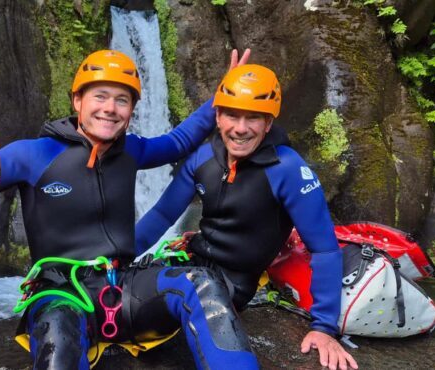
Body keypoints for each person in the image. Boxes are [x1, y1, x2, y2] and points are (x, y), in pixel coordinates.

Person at [0, 49, 261, 369]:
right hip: (60, 290)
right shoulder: (32, 155)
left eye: (122, 100)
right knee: (58, 334)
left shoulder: (132, 151)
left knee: (200, 281)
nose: (110, 108)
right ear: (77, 101)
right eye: (100, 96)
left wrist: (225, 97)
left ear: (131, 110)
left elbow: (178, 143)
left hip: (125, 287)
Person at [134, 64, 358, 370]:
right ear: (217, 117)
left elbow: (325, 248)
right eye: (232, 115)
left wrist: (324, 327)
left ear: (268, 122)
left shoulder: (288, 169)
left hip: (231, 283)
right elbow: (161, 215)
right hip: (194, 262)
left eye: (253, 117)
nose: (240, 128)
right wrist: (116, 255)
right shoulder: (203, 158)